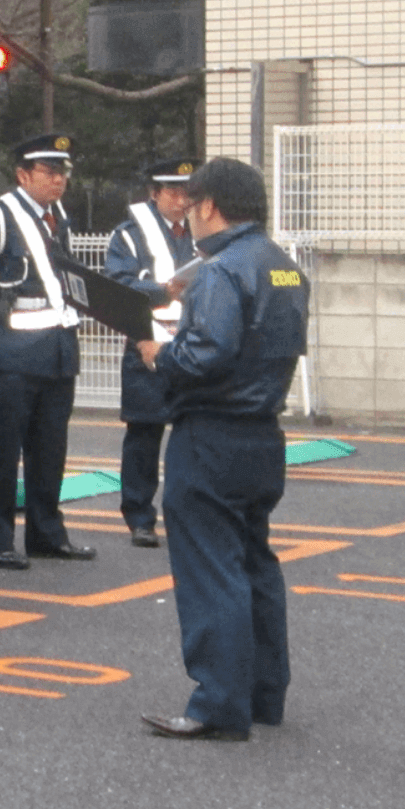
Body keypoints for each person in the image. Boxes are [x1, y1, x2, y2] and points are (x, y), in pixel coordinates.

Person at [133, 158, 307, 741]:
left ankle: (218, 704)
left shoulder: (220, 271)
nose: (186, 215)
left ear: (208, 206)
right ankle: (264, 694)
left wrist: (159, 355)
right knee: (254, 563)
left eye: (191, 205)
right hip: (263, 433)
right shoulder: (284, 267)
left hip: (211, 434)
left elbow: (204, 356)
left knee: (211, 570)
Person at [0, 134, 96, 570]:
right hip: (10, 355)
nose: (58, 180)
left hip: (56, 350)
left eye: (63, 173)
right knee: (2, 452)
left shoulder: (59, 218)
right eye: (49, 172)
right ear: (23, 174)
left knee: (50, 449)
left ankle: (47, 533)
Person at [106, 157, 200, 548]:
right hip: (147, 340)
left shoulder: (201, 230)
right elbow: (118, 283)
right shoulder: (129, 235)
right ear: (154, 193)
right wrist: (163, 289)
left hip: (193, 343)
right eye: (173, 192)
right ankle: (140, 517)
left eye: (187, 192)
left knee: (193, 435)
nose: (181, 201)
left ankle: (189, 516)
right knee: (144, 434)